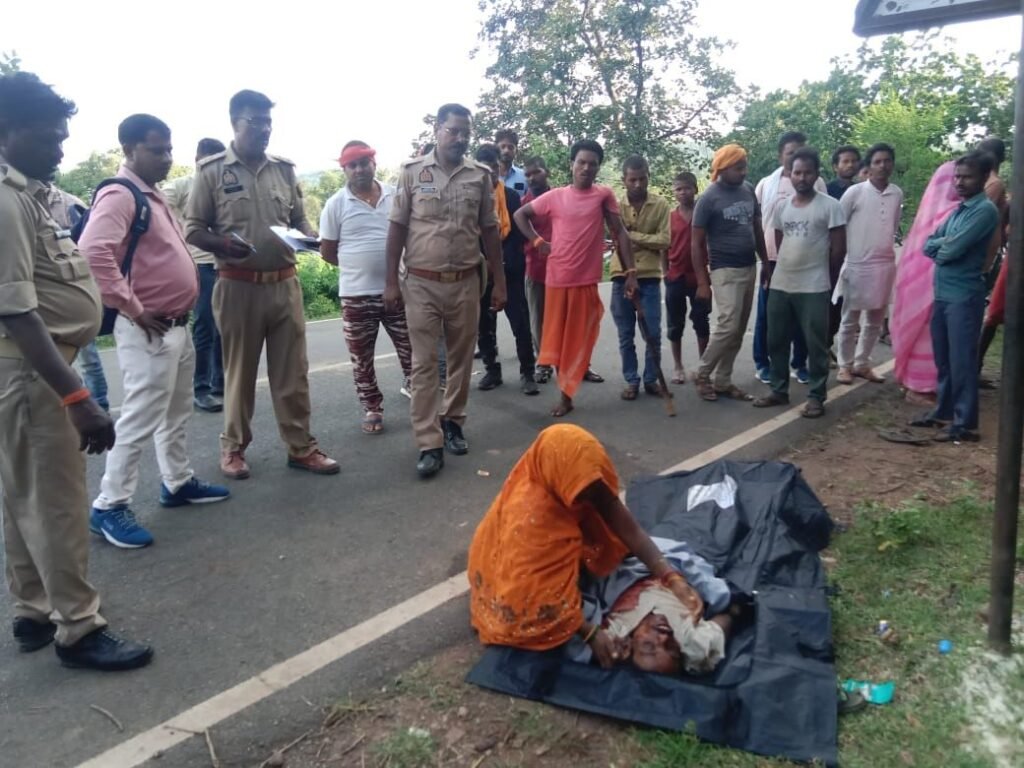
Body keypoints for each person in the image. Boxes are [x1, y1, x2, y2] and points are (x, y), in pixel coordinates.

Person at [0, 71, 152, 669]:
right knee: (56, 505)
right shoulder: (7, 200)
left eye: (63, 136)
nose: (60, 148)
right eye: (48, 137)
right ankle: (79, 629)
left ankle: (33, 610)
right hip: (34, 375)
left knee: (24, 498)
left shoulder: (28, 192)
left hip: (29, 373)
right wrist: (77, 398)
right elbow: (17, 312)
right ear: (6, 131)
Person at [468, 424, 736, 675]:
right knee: (553, 636)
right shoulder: (534, 525)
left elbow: (622, 521)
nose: (665, 638)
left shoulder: (582, 481)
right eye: (669, 648)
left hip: (559, 577)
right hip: (518, 597)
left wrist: (671, 577)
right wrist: (589, 634)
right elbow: (539, 598)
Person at [82, 114, 230, 549]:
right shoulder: (120, 194)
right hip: (148, 328)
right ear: (129, 150)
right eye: (156, 150)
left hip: (175, 325)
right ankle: (109, 504)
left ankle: (177, 481)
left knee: (175, 411)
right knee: (140, 416)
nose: (166, 158)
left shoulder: (154, 195)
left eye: (169, 149)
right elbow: (93, 253)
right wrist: (133, 306)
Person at [186, 90, 339, 479]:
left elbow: (299, 219)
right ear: (235, 122)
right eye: (256, 121)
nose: (265, 129)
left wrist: (310, 237)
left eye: (268, 122)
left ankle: (301, 447)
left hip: (285, 284)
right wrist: (223, 245)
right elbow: (193, 230)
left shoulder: (284, 170)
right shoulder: (212, 171)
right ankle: (233, 448)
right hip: (237, 286)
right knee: (239, 373)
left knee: (293, 374)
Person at [384, 103, 506, 479]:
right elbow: (397, 227)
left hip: (466, 282)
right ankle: (429, 442)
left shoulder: (479, 176)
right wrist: (390, 282)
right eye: (453, 130)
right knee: (424, 365)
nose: (460, 137)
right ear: (437, 130)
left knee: (461, 360)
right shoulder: (412, 172)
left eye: (465, 131)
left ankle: (453, 421)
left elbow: (490, 230)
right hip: (421, 283)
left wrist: (500, 282)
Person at [513, 139, 638, 417]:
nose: (586, 168)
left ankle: (578, 373)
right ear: (572, 164)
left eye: (592, 164)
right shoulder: (555, 196)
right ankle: (566, 396)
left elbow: (620, 232)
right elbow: (520, 215)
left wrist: (631, 273)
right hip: (557, 279)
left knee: (581, 338)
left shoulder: (603, 195)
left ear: (598, 168)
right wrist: (537, 241)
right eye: (581, 162)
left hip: (585, 280)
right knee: (560, 341)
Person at [319, 140, 412, 434]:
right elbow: (327, 252)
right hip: (356, 296)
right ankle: (372, 407)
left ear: (374, 163)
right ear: (344, 169)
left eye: (363, 163)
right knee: (361, 358)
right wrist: (358, 266)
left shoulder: (396, 195)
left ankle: (421, 396)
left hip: (398, 290)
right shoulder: (335, 204)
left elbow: (411, 236)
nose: (359, 169)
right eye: (352, 165)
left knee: (412, 350)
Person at [909, 152, 999, 442]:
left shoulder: (984, 211)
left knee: (962, 361)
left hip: (963, 296)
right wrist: (943, 245)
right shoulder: (960, 210)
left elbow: (949, 250)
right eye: (957, 177)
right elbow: (929, 244)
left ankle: (965, 423)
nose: (959, 182)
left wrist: (943, 246)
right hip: (944, 294)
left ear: (984, 177)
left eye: (967, 177)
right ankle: (944, 411)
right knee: (945, 359)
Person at [753, 148, 846, 418]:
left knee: (815, 344)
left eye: (807, 172)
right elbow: (779, 241)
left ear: (816, 174)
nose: (802, 177)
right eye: (797, 172)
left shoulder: (830, 206)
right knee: (776, 339)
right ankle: (779, 390)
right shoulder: (782, 207)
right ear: (790, 174)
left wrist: (828, 278)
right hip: (782, 284)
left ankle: (816, 396)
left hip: (814, 286)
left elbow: (839, 249)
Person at [692, 144, 768, 403]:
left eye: (744, 166)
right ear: (722, 168)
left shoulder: (748, 190)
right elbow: (696, 243)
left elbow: (757, 228)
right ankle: (702, 374)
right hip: (724, 269)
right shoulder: (709, 198)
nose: (744, 172)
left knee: (738, 329)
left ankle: (723, 380)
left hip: (749, 266)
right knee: (728, 324)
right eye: (738, 167)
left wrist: (765, 262)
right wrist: (702, 282)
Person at [753, 132, 826, 386]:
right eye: (790, 153)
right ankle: (763, 364)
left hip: (808, 261)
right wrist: (763, 259)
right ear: (780, 156)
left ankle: (799, 364)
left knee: (802, 318)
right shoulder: (766, 184)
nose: (796, 157)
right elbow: (758, 220)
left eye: (800, 152)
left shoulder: (818, 184)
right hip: (773, 259)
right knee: (767, 316)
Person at [163, 137, 227, 413]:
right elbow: (158, 205)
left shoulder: (226, 187)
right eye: (209, 161)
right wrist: (179, 234)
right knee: (205, 326)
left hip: (226, 265)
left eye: (219, 161)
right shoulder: (182, 186)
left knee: (224, 327)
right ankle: (201, 388)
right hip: (199, 265)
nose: (214, 166)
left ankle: (220, 383)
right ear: (198, 160)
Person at [834, 143, 902, 386]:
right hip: (856, 264)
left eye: (887, 161)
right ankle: (844, 366)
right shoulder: (855, 192)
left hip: (883, 264)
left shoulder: (896, 193)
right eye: (877, 162)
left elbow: (893, 226)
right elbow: (838, 226)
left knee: (875, 319)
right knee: (849, 319)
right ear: (869, 166)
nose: (882, 166)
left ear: (892, 164)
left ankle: (862, 364)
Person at [474, 144, 538, 395]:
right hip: (480, 273)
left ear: (498, 168)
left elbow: (517, 236)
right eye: (484, 169)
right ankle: (492, 370)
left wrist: (502, 263)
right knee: (483, 325)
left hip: (510, 270)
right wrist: (485, 263)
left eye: (493, 168)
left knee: (520, 323)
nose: (489, 173)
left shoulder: (510, 196)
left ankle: (528, 372)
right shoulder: (469, 198)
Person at [610, 154, 671, 400]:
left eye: (642, 179)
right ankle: (632, 380)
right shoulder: (615, 207)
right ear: (624, 180)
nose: (638, 184)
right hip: (621, 275)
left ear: (648, 177)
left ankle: (650, 379)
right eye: (632, 180)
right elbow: (615, 239)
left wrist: (631, 236)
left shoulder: (661, 204)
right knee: (626, 334)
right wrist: (642, 240)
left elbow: (664, 240)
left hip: (650, 277)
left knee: (653, 333)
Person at [47, 184, 110, 410]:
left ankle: (100, 407)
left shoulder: (70, 203)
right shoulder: (17, 200)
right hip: (42, 296)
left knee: (88, 358)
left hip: (72, 294)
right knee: (49, 360)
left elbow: (90, 249)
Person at [664, 172, 710, 384]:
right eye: (678, 189)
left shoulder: (703, 215)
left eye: (687, 188)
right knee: (675, 323)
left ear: (695, 189)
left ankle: (703, 366)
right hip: (675, 275)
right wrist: (665, 271)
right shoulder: (670, 218)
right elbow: (664, 247)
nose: (683, 192)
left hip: (699, 277)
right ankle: (678, 365)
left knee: (701, 321)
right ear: (674, 192)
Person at [522, 156, 553, 384]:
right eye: (528, 174)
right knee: (538, 320)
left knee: (566, 319)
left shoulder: (561, 197)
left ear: (547, 172)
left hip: (563, 268)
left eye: (536, 172)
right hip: (535, 269)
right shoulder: (524, 204)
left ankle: (579, 365)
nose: (532, 178)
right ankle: (543, 364)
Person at [495, 128, 527, 196]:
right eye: (503, 146)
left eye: (510, 147)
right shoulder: (487, 175)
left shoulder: (525, 177)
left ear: (516, 151)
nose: (506, 151)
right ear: (496, 149)